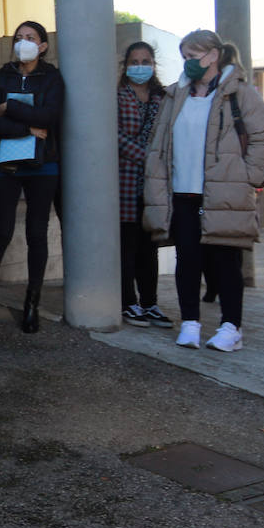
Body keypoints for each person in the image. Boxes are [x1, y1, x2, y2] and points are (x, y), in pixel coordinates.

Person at [143, 29, 264, 352]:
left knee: (225, 263)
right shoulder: (176, 95)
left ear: (213, 55)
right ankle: (190, 322)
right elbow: (158, 146)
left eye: (193, 56)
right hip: (182, 193)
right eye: (185, 57)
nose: (188, 63)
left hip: (223, 195)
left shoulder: (240, 94)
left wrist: (246, 177)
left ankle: (231, 328)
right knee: (187, 259)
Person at [0, 20, 63, 333]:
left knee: (37, 234)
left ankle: (31, 304)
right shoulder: (1, 76)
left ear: (42, 46)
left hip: (44, 165)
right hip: (6, 164)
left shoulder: (52, 78)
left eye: (30, 38)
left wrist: (8, 107)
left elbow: (49, 116)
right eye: (19, 37)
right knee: (1, 231)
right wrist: (25, 128)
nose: (23, 42)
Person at [117, 41, 172, 329]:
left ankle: (150, 303)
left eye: (145, 60)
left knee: (149, 247)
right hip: (124, 181)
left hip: (152, 186)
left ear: (153, 64)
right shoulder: (116, 96)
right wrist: (146, 158)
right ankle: (128, 302)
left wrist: (155, 163)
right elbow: (112, 134)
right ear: (126, 65)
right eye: (134, 61)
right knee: (126, 245)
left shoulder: (161, 98)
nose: (140, 66)